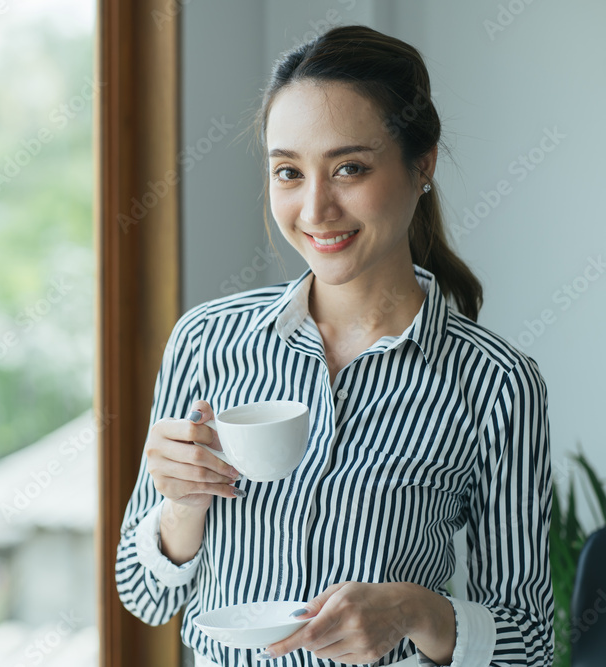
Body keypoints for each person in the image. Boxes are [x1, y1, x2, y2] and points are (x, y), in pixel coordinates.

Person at [114, 24, 553, 667]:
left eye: (350, 168)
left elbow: (530, 646)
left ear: (421, 163)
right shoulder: (207, 341)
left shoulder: (496, 384)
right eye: (288, 172)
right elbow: (143, 594)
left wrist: (415, 611)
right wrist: (181, 508)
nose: (315, 209)